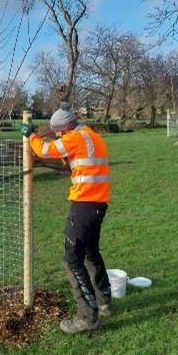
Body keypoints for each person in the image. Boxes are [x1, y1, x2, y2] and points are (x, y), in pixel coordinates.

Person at [22, 102, 112, 335]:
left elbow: (45, 151)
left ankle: (87, 316)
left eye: (59, 131)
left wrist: (31, 135)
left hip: (83, 205)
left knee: (72, 259)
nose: (58, 135)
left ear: (67, 127)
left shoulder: (75, 138)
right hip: (98, 204)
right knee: (91, 253)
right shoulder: (92, 136)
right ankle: (104, 301)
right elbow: (73, 159)